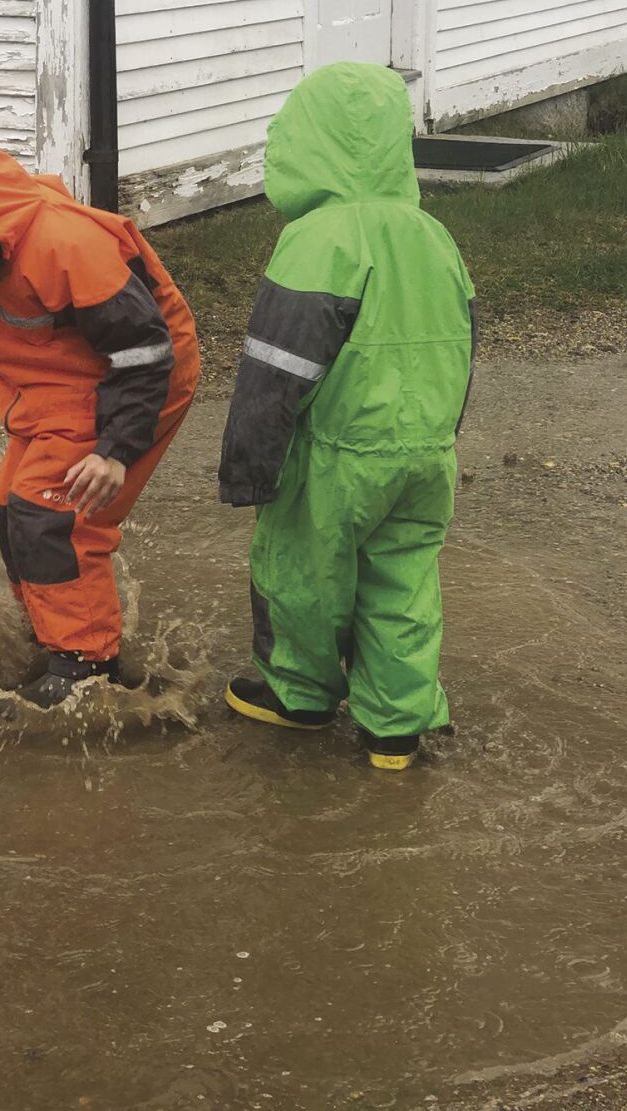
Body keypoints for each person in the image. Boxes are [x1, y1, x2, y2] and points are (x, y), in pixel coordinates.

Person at [0, 133, 200, 708]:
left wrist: (115, 450)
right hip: (66, 383)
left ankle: (87, 666)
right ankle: (54, 632)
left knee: (55, 512)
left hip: (135, 380)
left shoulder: (64, 243)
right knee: (11, 503)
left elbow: (145, 353)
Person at [218, 62, 476, 770]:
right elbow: (460, 343)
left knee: (300, 572)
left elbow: (277, 367)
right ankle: (394, 729)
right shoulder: (433, 236)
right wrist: (440, 435)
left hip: (335, 454)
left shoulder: (319, 238)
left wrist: (249, 466)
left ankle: (297, 694)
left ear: (306, 139)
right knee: (403, 582)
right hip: (423, 451)